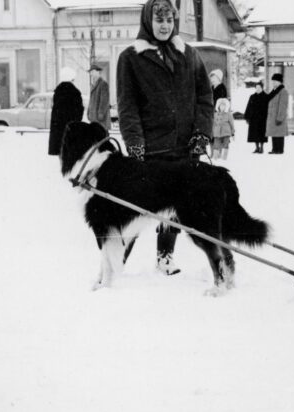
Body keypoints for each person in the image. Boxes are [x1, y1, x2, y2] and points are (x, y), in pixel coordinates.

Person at [117, 0, 213, 275]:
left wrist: (200, 134)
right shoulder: (130, 58)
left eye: (169, 20)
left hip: (183, 146)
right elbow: (127, 105)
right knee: (136, 207)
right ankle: (117, 260)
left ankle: (165, 256)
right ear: (148, 21)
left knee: (173, 207)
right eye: (159, 20)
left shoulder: (189, 55)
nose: (164, 26)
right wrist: (134, 143)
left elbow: (205, 98)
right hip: (150, 149)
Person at [48, 67, 84, 156]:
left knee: (60, 150)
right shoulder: (75, 92)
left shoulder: (57, 92)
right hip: (71, 128)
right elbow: (79, 110)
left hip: (58, 128)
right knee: (70, 152)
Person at [266, 73, 289, 154]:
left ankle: (279, 149)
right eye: (273, 81)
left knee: (279, 134)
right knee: (274, 133)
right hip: (273, 117)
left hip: (278, 117)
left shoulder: (283, 91)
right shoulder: (274, 91)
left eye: (275, 81)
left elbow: (283, 106)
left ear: (280, 82)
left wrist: (280, 118)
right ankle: (274, 149)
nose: (274, 83)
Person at [244, 81, 268, 153]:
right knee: (254, 134)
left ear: (262, 88)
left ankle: (262, 147)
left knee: (262, 134)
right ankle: (257, 147)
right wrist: (247, 117)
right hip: (254, 118)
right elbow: (248, 106)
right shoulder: (252, 97)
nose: (257, 89)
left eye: (259, 87)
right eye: (256, 87)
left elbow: (268, 108)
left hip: (262, 119)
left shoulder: (265, 97)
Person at [87, 64, 111, 131]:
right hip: (94, 118)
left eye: (92, 72)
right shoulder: (93, 85)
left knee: (103, 137)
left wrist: (101, 113)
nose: (91, 74)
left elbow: (104, 100)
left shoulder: (103, 84)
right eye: (90, 72)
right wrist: (89, 112)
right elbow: (91, 101)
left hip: (100, 119)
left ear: (97, 72)